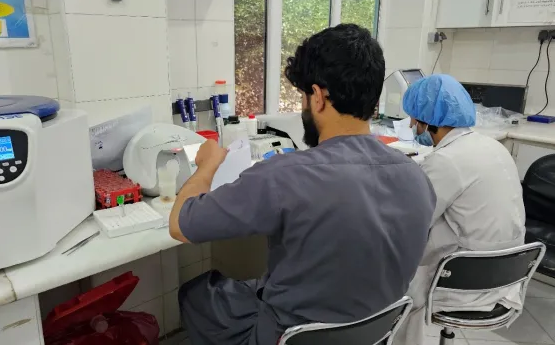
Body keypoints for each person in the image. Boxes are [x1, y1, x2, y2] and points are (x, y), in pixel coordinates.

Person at [169, 24, 437, 345]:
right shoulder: (418, 178)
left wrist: (208, 164)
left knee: (197, 293)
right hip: (373, 333)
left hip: (287, 337)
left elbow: (181, 224)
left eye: (303, 98)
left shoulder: (286, 176)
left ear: (319, 97)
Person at [394, 74, 526, 345]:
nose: (411, 125)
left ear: (430, 121)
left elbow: (411, 222)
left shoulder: (446, 161)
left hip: (466, 282)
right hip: (508, 276)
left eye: (415, 119)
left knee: (393, 280)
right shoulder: (492, 147)